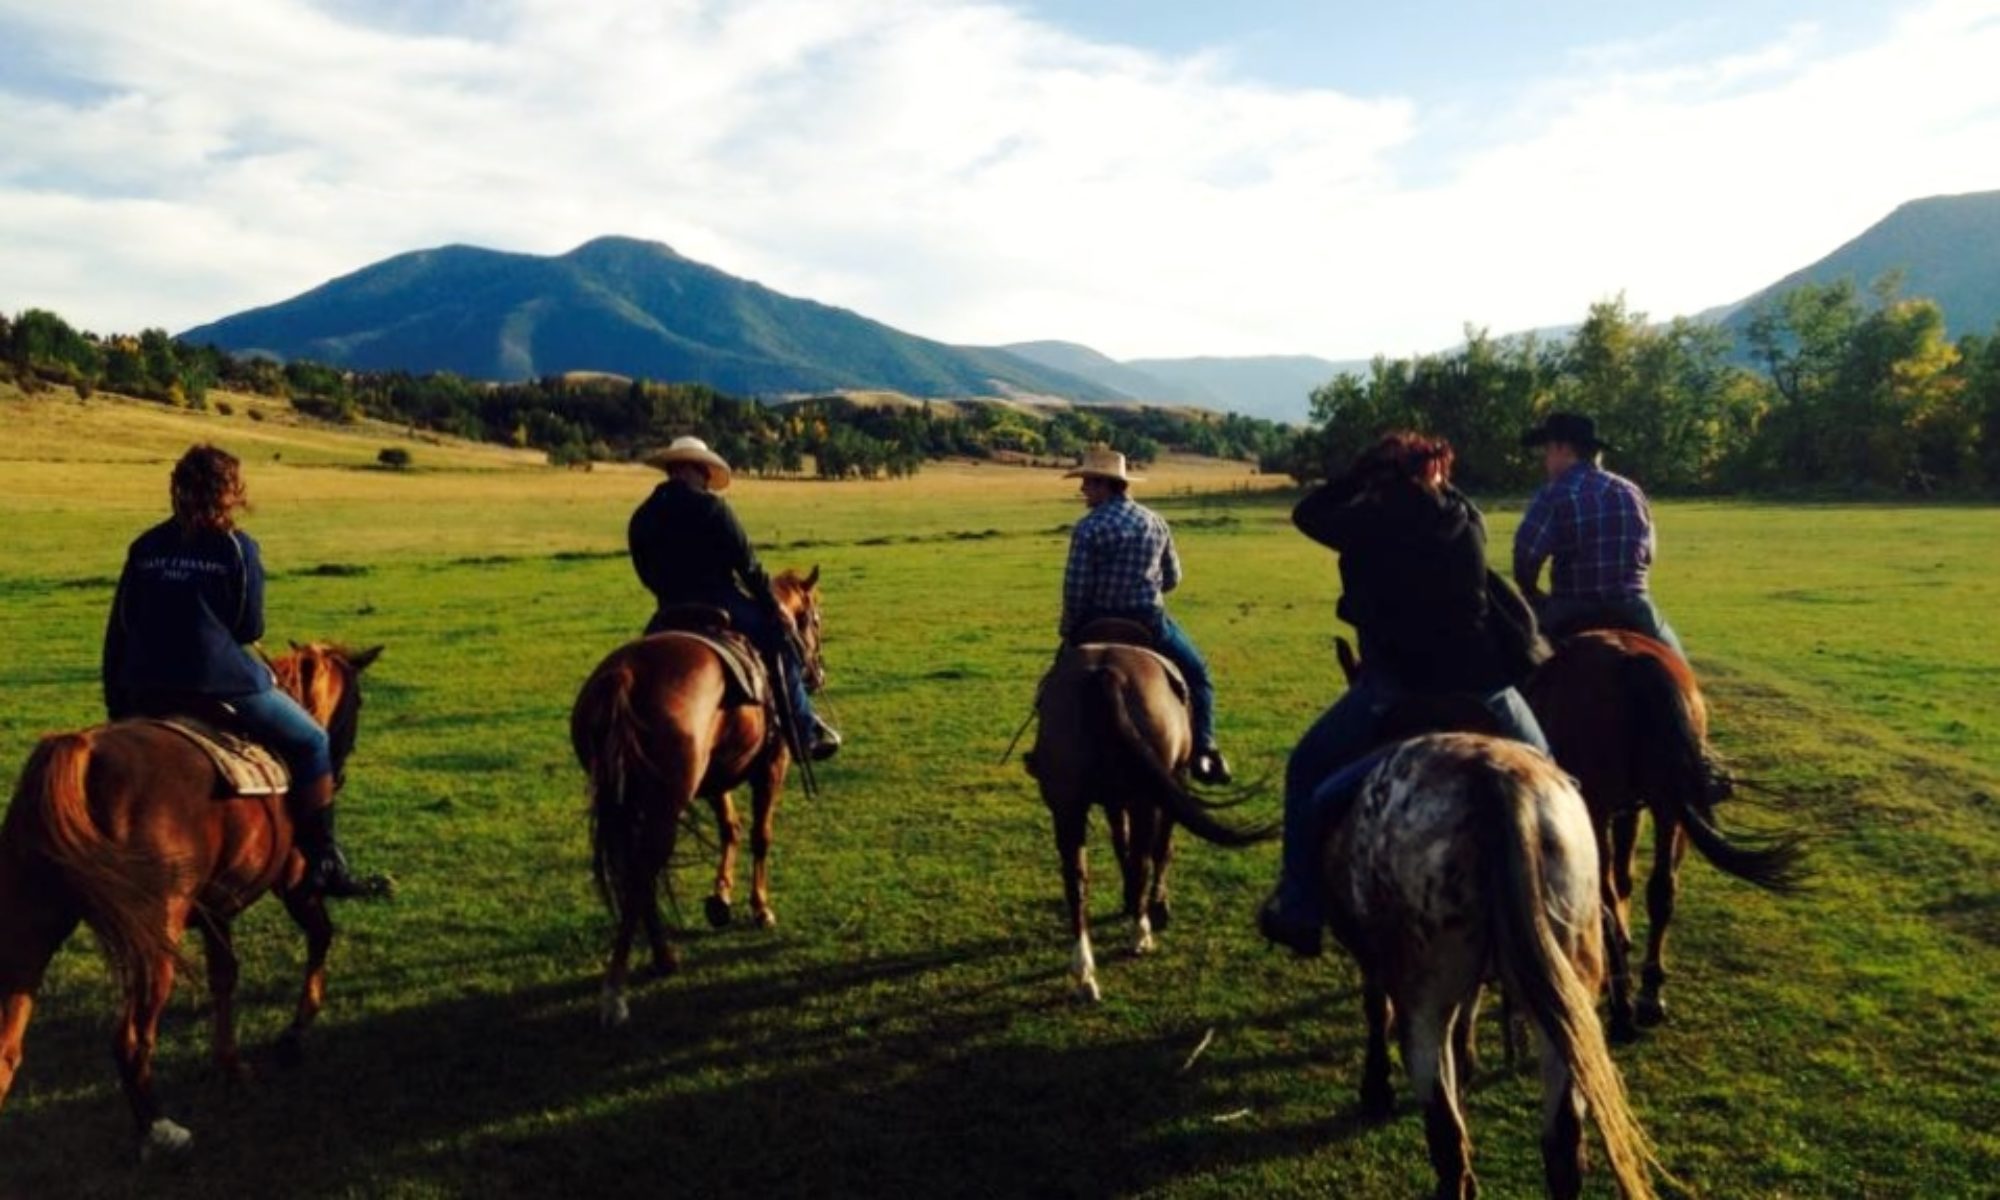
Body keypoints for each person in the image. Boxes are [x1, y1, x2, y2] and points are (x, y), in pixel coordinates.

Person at [1259, 432, 1549, 956]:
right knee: (1555, 777)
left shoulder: (1367, 523)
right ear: (1437, 474)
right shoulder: (1467, 519)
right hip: (1482, 686)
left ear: (1379, 479)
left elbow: (1308, 513)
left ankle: (1300, 906)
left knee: (1307, 773)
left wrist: (1359, 477)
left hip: (1398, 687)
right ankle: (1584, 902)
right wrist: (1430, 476)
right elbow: (1447, 498)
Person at [101, 443, 377, 898]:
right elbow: (250, 627)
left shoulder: (145, 546)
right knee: (313, 740)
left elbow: (123, 625)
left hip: (144, 687)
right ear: (232, 492)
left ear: (176, 488)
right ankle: (325, 860)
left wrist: (119, 704)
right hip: (216, 684)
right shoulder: (236, 547)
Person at [629, 436, 841, 760]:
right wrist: (774, 608)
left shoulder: (642, 516)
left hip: (669, 607)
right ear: (693, 469)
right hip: (721, 601)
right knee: (781, 643)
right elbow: (748, 566)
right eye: (704, 472)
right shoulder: (712, 508)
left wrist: (670, 592)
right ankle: (804, 733)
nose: (707, 480)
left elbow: (645, 572)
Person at [1058, 445, 1231, 785]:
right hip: (1147, 622)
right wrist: (1142, 587)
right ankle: (1205, 749)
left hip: (1095, 624)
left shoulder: (1088, 528)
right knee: (1198, 674)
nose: (1083, 489)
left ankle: (1048, 754)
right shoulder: (1154, 522)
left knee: (1056, 683)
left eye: (1089, 482)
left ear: (1106, 485)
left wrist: (1069, 629)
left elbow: (1076, 589)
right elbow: (1173, 578)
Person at [1513, 412, 1685, 658]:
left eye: (1547, 451)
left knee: (1520, 662)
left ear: (1563, 448)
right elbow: (1647, 555)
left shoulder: (1553, 494)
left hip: (1570, 608)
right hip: (1633, 606)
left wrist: (1530, 591)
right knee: (1676, 664)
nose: (1546, 461)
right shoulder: (1631, 490)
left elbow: (1526, 555)